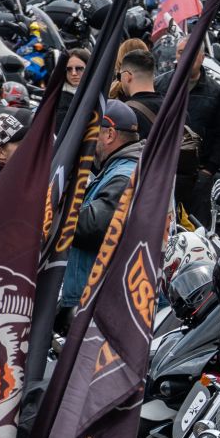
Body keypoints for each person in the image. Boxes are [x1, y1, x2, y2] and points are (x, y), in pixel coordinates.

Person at [60, 102, 144, 312]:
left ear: (109, 135)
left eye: (91, 133)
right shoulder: (122, 169)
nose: (87, 141)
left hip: (98, 299)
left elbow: (94, 228)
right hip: (101, 295)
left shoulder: (124, 175)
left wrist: (54, 202)